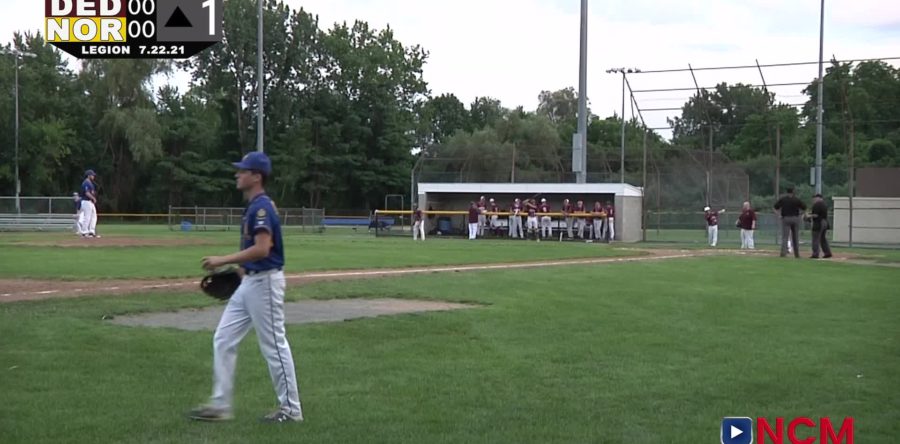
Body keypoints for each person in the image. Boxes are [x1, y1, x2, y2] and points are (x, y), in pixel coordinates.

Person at [190, 151, 303, 423]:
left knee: (274, 345)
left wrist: (222, 260)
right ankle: (220, 405)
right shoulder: (254, 206)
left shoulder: (261, 207)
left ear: (256, 176)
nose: (237, 174)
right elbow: (253, 251)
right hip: (250, 282)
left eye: (243, 170)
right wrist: (238, 274)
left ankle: (291, 410)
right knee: (223, 338)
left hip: (265, 282)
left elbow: (263, 249)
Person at [774, 187, 806, 258]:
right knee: (795, 237)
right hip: (795, 218)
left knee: (785, 237)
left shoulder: (783, 199)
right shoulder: (796, 199)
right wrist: (801, 215)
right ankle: (797, 254)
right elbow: (804, 207)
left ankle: (783, 253)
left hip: (786, 218)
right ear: (793, 192)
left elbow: (775, 207)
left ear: (787, 192)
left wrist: (779, 215)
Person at [809, 194, 832, 259]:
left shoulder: (817, 204)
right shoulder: (824, 204)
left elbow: (816, 215)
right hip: (825, 222)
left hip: (819, 222)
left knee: (815, 239)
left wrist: (809, 216)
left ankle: (815, 253)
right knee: (823, 239)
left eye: (815, 199)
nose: (813, 200)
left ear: (818, 198)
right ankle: (827, 252)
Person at [78, 169, 99, 238]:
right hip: (86, 201)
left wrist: (93, 198)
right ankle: (84, 232)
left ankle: (91, 232)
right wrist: (93, 198)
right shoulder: (86, 183)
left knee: (94, 216)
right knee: (87, 217)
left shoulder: (90, 183)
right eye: (92, 175)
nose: (93, 176)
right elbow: (87, 193)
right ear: (88, 175)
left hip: (90, 202)